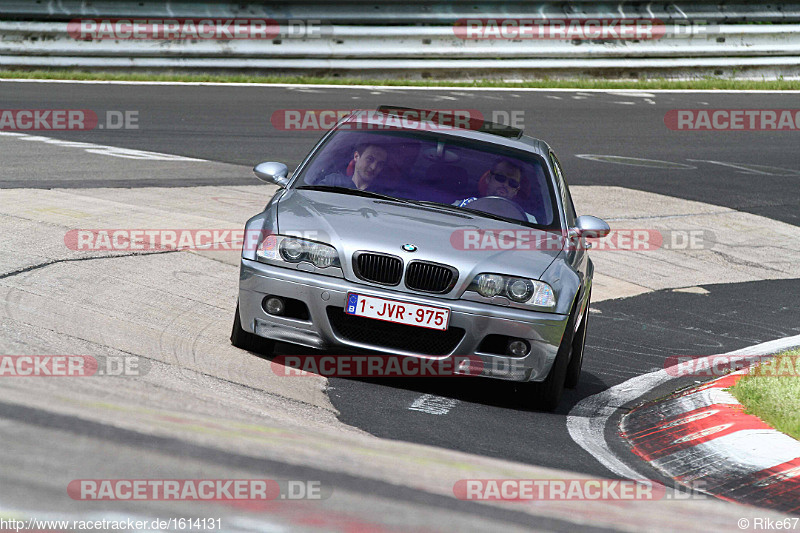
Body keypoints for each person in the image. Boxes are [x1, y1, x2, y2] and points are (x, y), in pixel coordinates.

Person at [454, 159, 538, 223]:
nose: (505, 184)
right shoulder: (463, 206)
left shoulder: (528, 220)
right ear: (489, 178)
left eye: (512, 183)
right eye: (500, 178)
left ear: (516, 190)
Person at [317, 143, 389, 191]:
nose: (373, 167)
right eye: (370, 159)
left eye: (380, 164)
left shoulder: (384, 195)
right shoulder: (332, 182)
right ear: (356, 156)